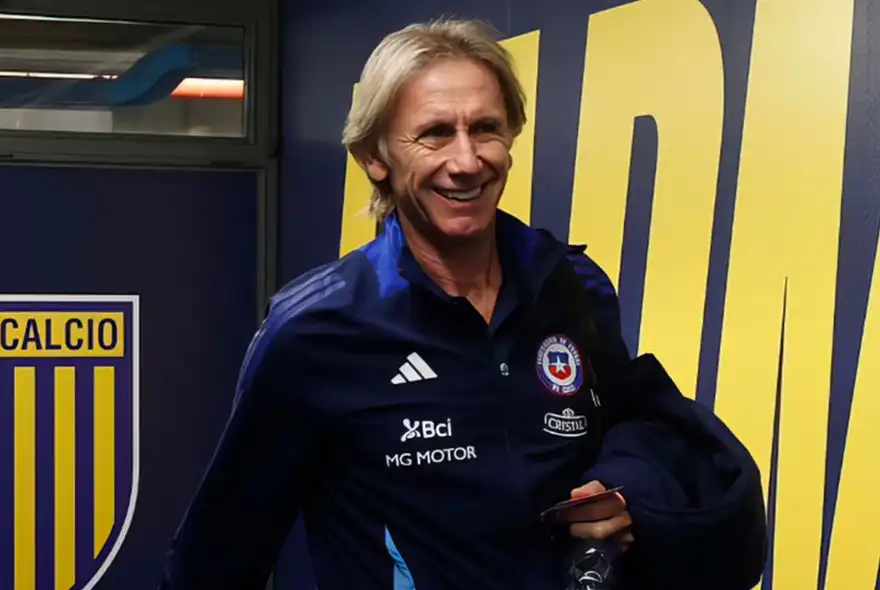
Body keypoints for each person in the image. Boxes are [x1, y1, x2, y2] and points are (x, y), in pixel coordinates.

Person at [159, 18, 767, 590]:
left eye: (485, 129)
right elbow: (217, 556)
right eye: (434, 134)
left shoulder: (571, 286)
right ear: (375, 157)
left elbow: (638, 429)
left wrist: (628, 492)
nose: (467, 161)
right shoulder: (316, 331)